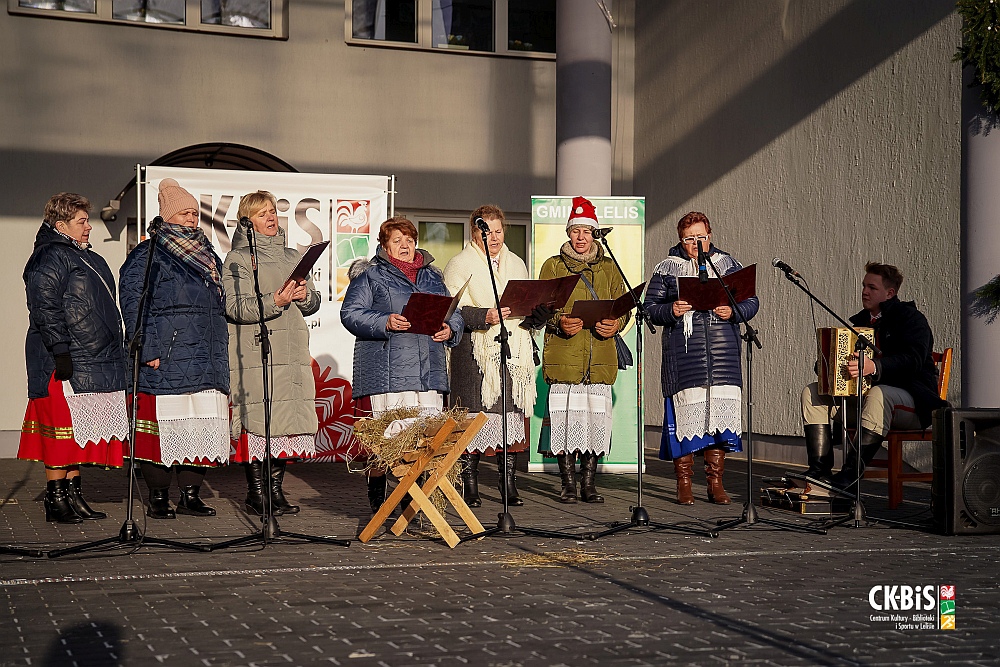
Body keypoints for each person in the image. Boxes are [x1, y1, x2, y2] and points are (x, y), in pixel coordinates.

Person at [119, 178, 230, 519]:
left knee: (201, 428)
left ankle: (190, 495)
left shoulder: (209, 253)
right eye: (184, 213)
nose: (191, 218)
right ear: (166, 216)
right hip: (166, 357)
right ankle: (157, 497)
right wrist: (147, 345)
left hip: (207, 356)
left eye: (194, 212)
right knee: (165, 428)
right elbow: (133, 301)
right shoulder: (147, 253)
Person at [341, 216, 463, 512]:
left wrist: (451, 329)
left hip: (429, 371)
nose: (405, 245)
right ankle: (379, 497)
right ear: (384, 246)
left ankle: (413, 499)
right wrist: (385, 320)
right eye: (397, 241)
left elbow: (452, 312)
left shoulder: (433, 276)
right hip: (389, 372)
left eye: (409, 240)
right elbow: (350, 313)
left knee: (424, 437)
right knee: (389, 437)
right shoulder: (371, 277)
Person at [19, 193, 128, 524]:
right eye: (81, 221)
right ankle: (55, 501)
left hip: (91, 357)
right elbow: (44, 306)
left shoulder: (86, 257)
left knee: (78, 431)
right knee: (61, 432)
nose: (88, 227)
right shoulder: (49, 257)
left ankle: (74, 495)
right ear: (60, 225)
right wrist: (60, 349)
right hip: (62, 359)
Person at [644, 211, 759, 505]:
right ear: (680, 240)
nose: (696, 243)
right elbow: (649, 308)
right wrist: (672, 310)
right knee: (685, 419)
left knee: (717, 420)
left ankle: (715, 483)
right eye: (690, 239)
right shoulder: (668, 268)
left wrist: (733, 311)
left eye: (701, 237)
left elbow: (751, 300)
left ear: (711, 236)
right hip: (685, 356)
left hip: (723, 356)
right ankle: (684, 483)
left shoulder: (727, 264)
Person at [800, 261, 947, 488]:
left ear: (890, 293)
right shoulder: (858, 324)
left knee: (879, 394)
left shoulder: (911, 319)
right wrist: (828, 365)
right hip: (864, 402)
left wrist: (875, 367)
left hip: (912, 401)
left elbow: (914, 360)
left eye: (872, 287)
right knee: (812, 392)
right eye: (864, 286)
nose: (864, 292)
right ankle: (819, 471)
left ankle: (848, 477)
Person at [223, 191, 320, 517]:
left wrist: (305, 295)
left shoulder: (292, 255)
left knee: (284, 422)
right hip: (258, 351)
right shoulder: (237, 259)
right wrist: (274, 302)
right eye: (263, 213)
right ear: (247, 220)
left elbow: (312, 304)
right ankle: (257, 492)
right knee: (261, 421)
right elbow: (234, 307)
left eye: (273, 212)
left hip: (290, 350)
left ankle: (275, 490)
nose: (271, 218)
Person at [443, 205, 541, 507]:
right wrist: (483, 315)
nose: (494, 237)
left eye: (498, 231)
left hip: (512, 351)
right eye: (487, 231)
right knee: (474, 420)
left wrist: (537, 314)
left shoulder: (516, 262)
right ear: (475, 232)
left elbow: (523, 302)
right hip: (475, 353)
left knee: (508, 420)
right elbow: (452, 310)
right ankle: (469, 484)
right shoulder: (459, 264)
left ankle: (507, 483)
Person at [538, 196, 629, 504]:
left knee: (594, 424)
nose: (581, 237)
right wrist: (558, 321)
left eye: (587, 231)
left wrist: (617, 323)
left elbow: (624, 306)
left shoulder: (609, 268)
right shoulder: (553, 266)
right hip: (565, 357)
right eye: (576, 230)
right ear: (568, 232)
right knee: (565, 424)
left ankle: (589, 484)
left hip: (600, 357)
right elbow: (540, 310)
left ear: (595, 233)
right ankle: (567, 484)